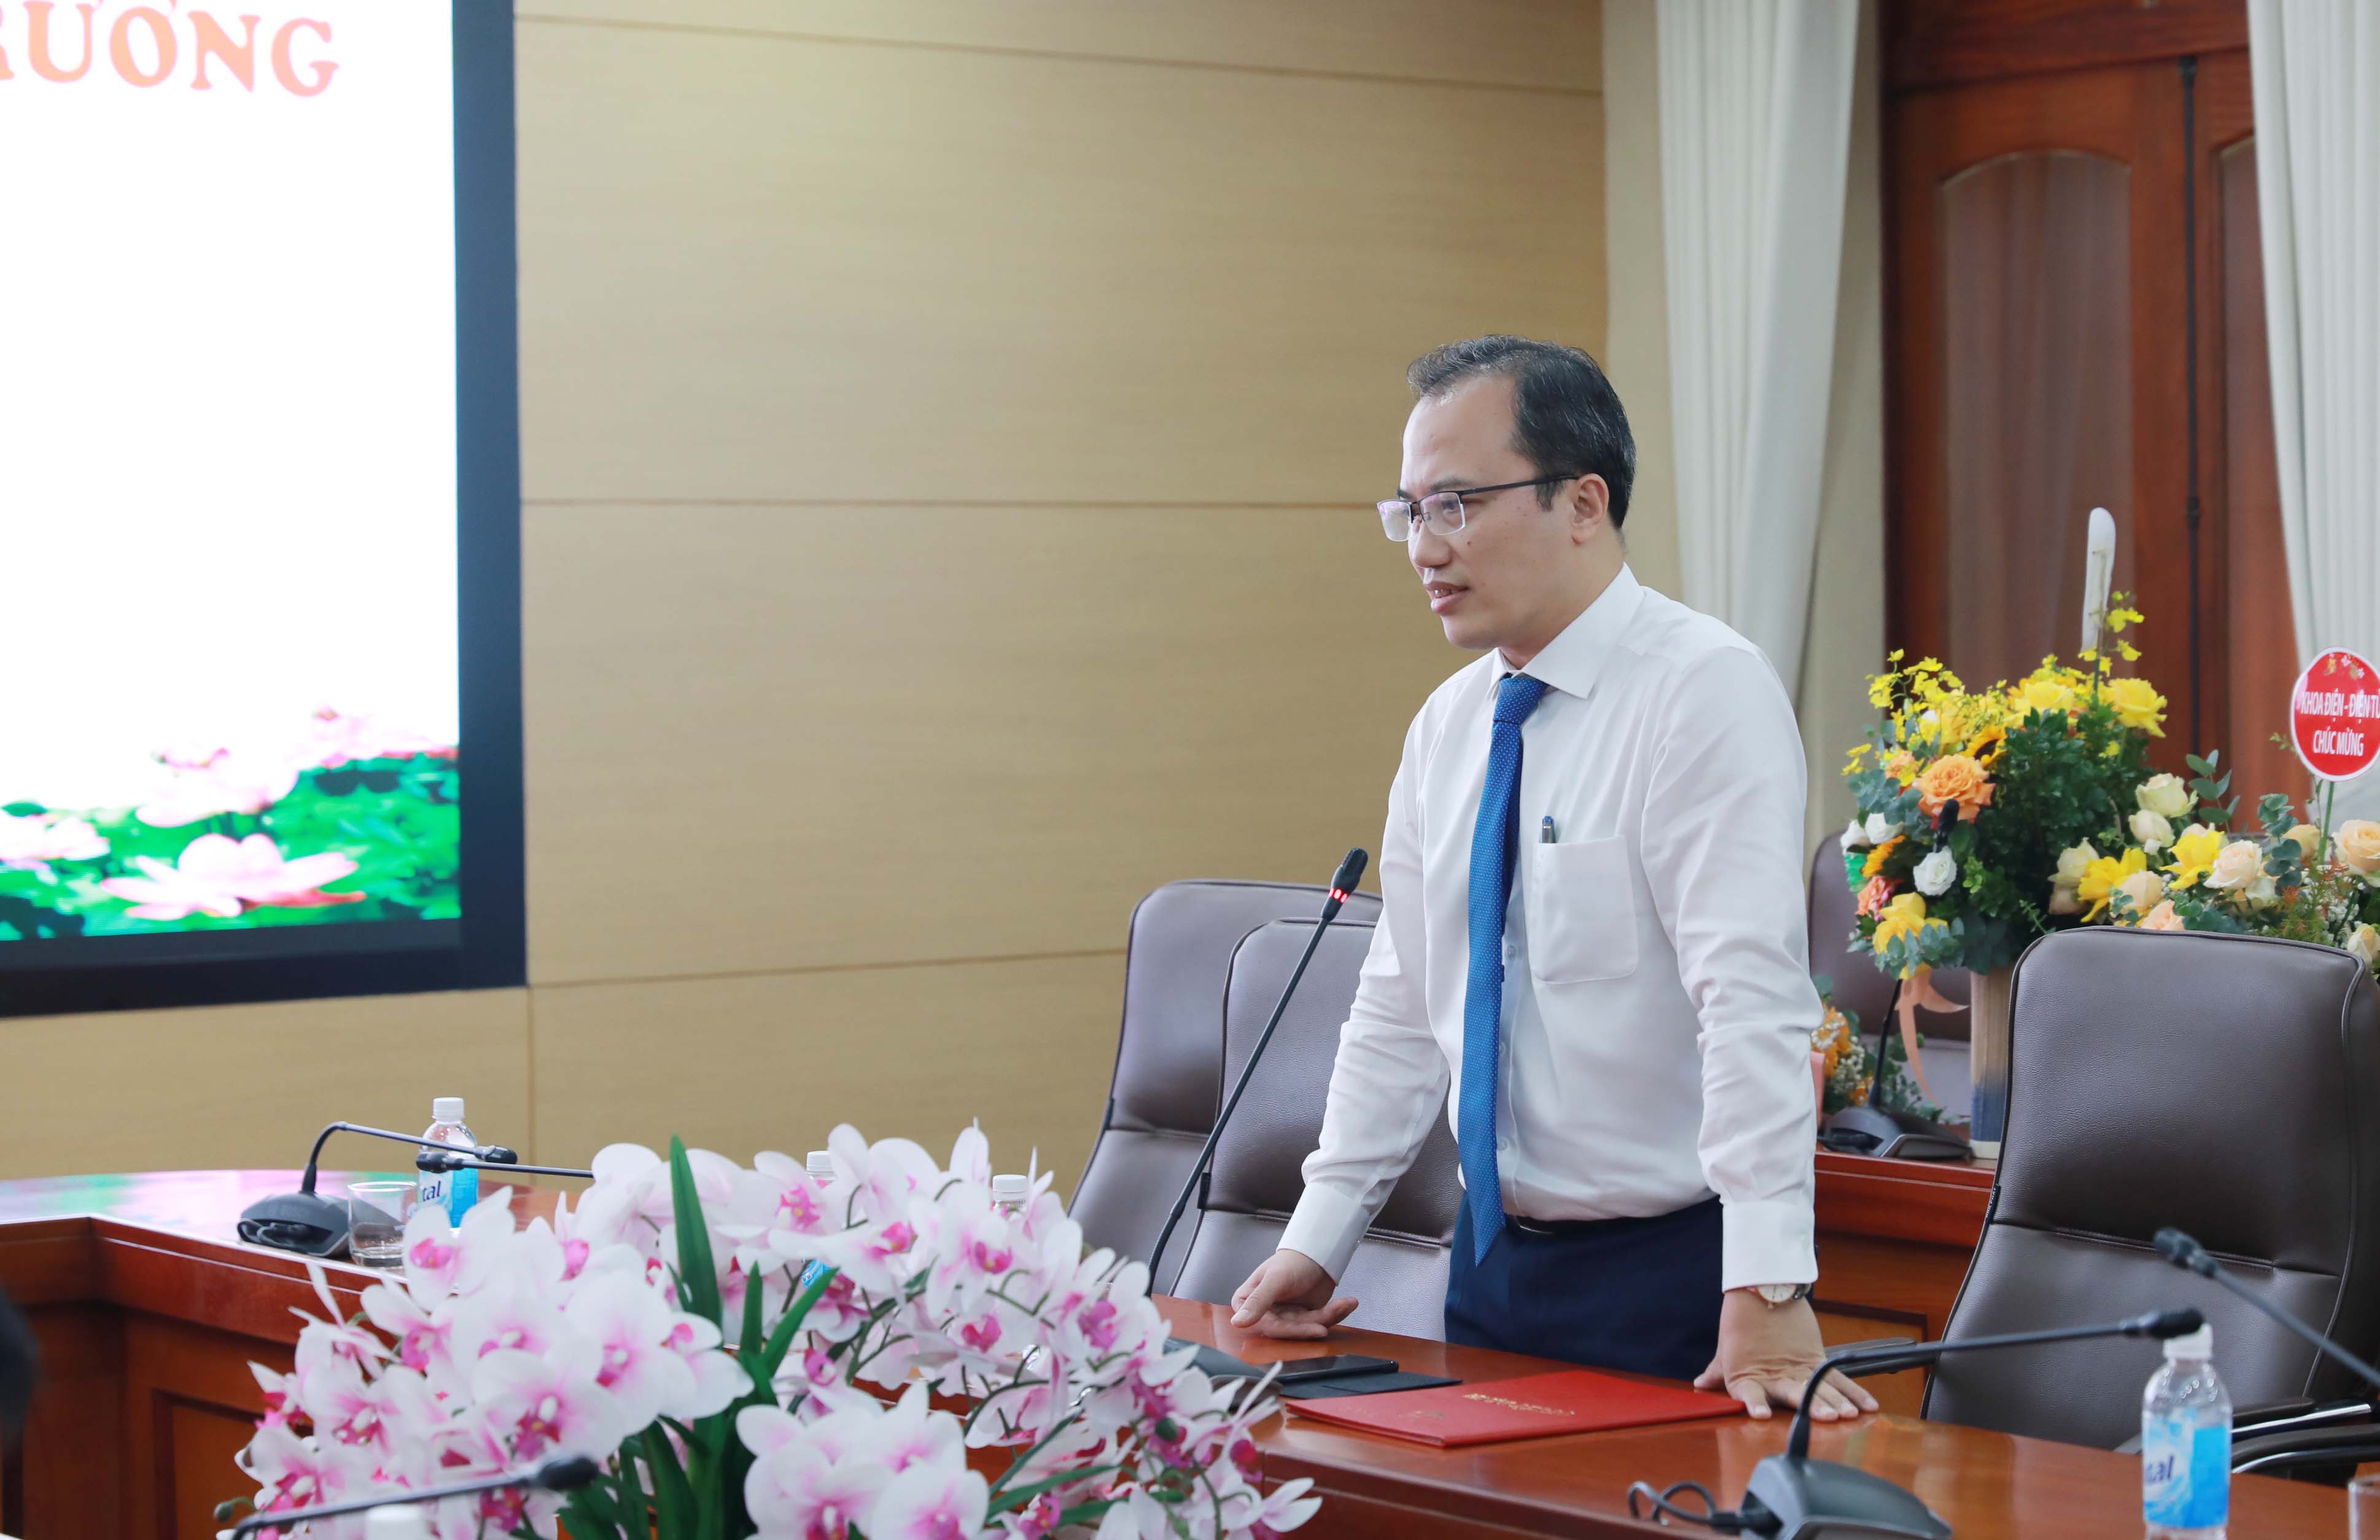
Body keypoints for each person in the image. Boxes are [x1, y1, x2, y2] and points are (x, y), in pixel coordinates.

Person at [1229, 336, 1873, 1422]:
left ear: (1583, 502)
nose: (1426, 547)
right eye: (1410, 512)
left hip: (1666, 1279)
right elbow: (1402, 1006)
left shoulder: (1702, 691)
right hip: (1489, 1269)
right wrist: (1319, 1236)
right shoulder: (1449, 726)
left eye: (1457, 505)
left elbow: (1751, 1003)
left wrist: (1768, 1284)